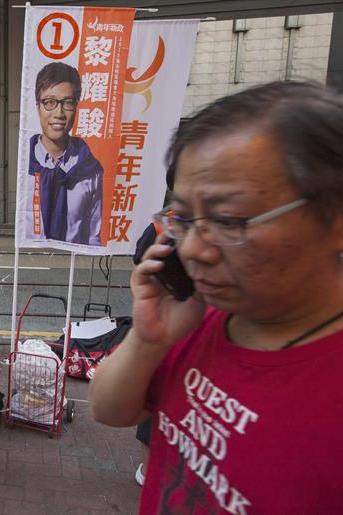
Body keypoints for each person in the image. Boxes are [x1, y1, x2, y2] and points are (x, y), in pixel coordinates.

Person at [88, 82, 343, 513]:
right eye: (183, 218)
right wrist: (148, 340)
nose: (191, 250)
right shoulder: (202, 315)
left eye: (228, 220)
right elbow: (109, 410)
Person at [28, 62, 103, 245]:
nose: (59, 113)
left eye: (67, 103)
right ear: (38, 106)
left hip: (71, 264)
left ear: (76, 107)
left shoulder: (90, 169)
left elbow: (93, 234)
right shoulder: (24, 165)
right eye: (50, 102)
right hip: (30, 257)